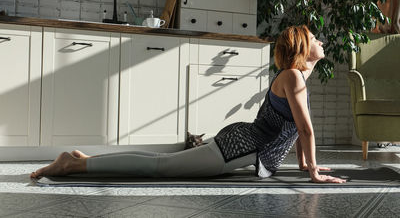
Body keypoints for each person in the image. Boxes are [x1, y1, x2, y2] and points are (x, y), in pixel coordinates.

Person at [31, 25, 346, 184]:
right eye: (316, 39)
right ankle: (75, 164)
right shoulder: (293, 77)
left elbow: (293, 128)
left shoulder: (293, 77)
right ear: (304, 48)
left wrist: (305, 164)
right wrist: (314, 173)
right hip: (239, 146)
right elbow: (304, 128)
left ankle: (83, 159)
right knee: (159, 167)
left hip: (241, 142)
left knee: (158, 161)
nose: (321, 42)